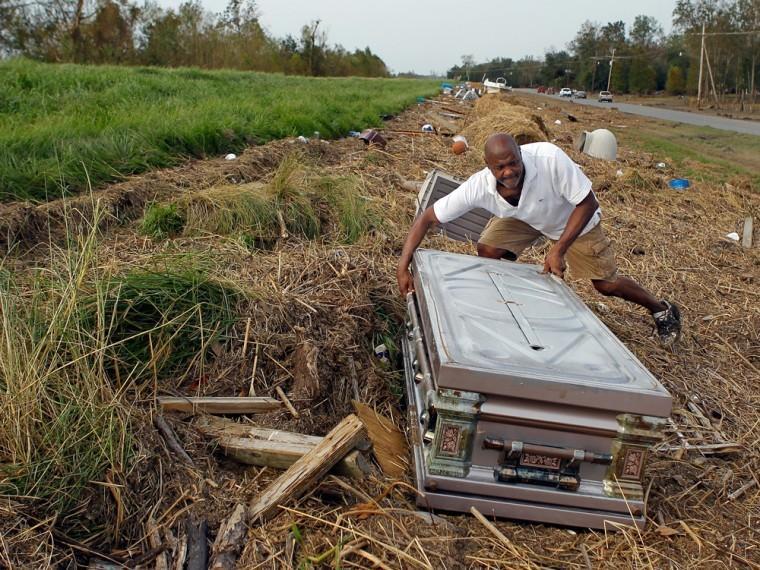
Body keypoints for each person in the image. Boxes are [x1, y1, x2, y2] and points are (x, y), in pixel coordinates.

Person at [396, 133, 682, 345]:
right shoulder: (478, 187)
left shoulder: (549, 158)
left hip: (572, 220)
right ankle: (514, 305)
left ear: (521, 154)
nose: (508, 172)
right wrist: (403, 266)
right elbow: (427, 219)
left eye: (513, 163)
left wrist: (558, 249)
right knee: (488, 250)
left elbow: (588, 202)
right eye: (500, 168)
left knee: (605, 285)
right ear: (488, 167)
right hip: (526, 218)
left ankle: (662, 310)